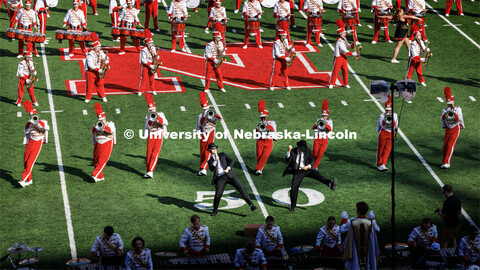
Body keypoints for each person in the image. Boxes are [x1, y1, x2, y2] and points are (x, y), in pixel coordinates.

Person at [283, 140, 337, 212]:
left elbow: (312, 160)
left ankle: (330, 184)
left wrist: (308, 166)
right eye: (301, 149)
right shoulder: (293, 151)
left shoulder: (307, 151)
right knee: (293, 189)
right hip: (298, 172)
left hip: (307, 169)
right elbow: (287, 160)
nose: (302, 151)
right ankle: (293, 206)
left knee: (318, 175)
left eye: (303, 149)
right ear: (298, 148)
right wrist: (289, 151)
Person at [207, 143, 257, 216]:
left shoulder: (223, 154)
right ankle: (215, 210)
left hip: (230, 175)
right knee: (218, 195)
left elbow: (232, 161)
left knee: (241, 189)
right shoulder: (210, 160)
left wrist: (228, 168)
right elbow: (212, 169)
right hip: (220, 178)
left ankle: (251, 205)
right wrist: (215, 161)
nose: (214, 150)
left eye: (215, 148)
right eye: (212, 149)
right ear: (209, 150)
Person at [340, 202, 380, 270]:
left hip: (354, 254)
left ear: (357, 211)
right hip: (368, 253)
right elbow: (378, 230)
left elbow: (342, 230)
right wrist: (372, 219)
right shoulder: (371, 223)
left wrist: (344, 219)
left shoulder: (351, 222)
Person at [18, 100, 49, 188]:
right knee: (25, 161)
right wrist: (30, 125)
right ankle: (29, 180)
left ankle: (23, 180)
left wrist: (37, 125)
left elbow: (46, 129)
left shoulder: (42, 123)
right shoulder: (30, 123)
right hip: (30, 142)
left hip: (37, 144)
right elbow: (25, 130)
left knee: (30, 163)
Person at [196, 92, 222, 176]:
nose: (206, 110)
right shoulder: (201, 115)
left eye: (206, 108)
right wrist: (197, 131)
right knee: (202, 152)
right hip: (204, 134)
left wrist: (215, 115)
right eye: (204, 108)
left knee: (208, 150)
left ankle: (204, 168)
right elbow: (199, 124)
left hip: (211, 133)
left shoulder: (212, 113)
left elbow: (220, 119)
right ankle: (201, 168)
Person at [144, 93, 168, 178]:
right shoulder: (147, 117)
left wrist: (158, 120)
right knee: (148, 154)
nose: (151, 112)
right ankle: (147, 171)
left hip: (158, 135)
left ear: (155, 108)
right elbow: (146, 127)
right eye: (150, 110)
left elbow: (166, 123)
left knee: (155, 154)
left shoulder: (160, 114)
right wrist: (146, 133)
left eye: (152, 110)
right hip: (151, 135)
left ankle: (151, 171)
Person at [328, 19, 358, 89]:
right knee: (335, 71)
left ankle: (346, 83)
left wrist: (353, 44)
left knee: (345, 70)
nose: (345, 34)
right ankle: (331, 83)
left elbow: (348, 46)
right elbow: (343, 50)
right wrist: (352, 53)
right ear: (341, 34)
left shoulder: (344, 39)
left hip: (344, 57)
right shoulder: (339, 41)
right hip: (339, 57)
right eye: (344, 33)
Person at [440, 86, 464, 169]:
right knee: (445, 146)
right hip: (448, 129)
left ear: (453, 102)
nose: (449, 105)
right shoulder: (445, 109)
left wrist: (454, 112)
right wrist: (447, 112)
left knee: (450, 145)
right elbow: (441, 118)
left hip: (455, 129)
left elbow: (460, 119)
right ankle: (444, 162)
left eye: (451, 103)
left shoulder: (458, 109)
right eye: (448, 104)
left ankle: (447, 163)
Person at [91, 103, 116, 182]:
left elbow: (111, 132)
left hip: (107, 143)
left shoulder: (110, 124)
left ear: (105, 119)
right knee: (96, 160)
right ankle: (100, 176)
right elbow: (92, 132)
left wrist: (103, 128)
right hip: (98, 143)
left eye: (103, 120)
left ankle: (95, 175)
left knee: (102, 160)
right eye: (100, 120)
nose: (101, 121)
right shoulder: (97, 125)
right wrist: (96, 127)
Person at [85, 33, 109, 103]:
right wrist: (98, 70)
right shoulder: (90, 54)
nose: (100, 47)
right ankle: (88, 97)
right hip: (91, 71)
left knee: (100, 84)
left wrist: (106, 61)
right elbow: (90, 65)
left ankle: (103, 96)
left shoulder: (100, 52)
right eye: (98, 46)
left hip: (99, 71)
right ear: (95, 47)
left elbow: (105, 57)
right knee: (90, 85)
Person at [376, 94, 398, 171]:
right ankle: (379, 164)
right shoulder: (382, 115)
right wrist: (385, 119)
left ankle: (383, 164)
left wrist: (396, 131)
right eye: (386, 109)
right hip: (384, 133)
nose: (387, 111)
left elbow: (396, 126)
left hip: (391, 133)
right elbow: (381, 125)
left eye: (389, 109)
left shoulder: (395, 115)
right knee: (381, 149)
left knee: (387, 150)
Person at [254, 99, 277, 175]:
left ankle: (258, 168)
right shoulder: (259, 123)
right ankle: (259, 169)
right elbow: (257, 132)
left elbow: (273, 130)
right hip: (260, 140)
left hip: (268, 141)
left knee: (265, 155)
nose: (262, 118)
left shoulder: (272, 122)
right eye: (261, 117)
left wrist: (267, 129)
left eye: (264, 117)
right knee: (259, 155)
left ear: (266, 116)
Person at [138, 30, 161, 96]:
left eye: (151, 43)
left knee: (151, 78)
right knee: (144, 78)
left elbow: (154, 54)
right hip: (146, 65)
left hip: (152, 64)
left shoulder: (153, 48)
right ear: (147, 44)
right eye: (150, 43)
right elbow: (143, 60)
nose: (151, 44)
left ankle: (153, 90)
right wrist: (150, 65)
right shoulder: (143, 50)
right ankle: (141, 91)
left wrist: (156, 56)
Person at [311, 99, 332, 169]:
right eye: (323, 115)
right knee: (315, 153)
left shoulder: (330, 122)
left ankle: (314, 167)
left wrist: (325, 125)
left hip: (324, 140)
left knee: (320, 154)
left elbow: (330, 129)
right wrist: (317, 125)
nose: (324, 117)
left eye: (325, 116)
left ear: (328, 115)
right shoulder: (318, 120)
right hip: (317, 139)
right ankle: (312, 163)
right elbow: (313, 127)